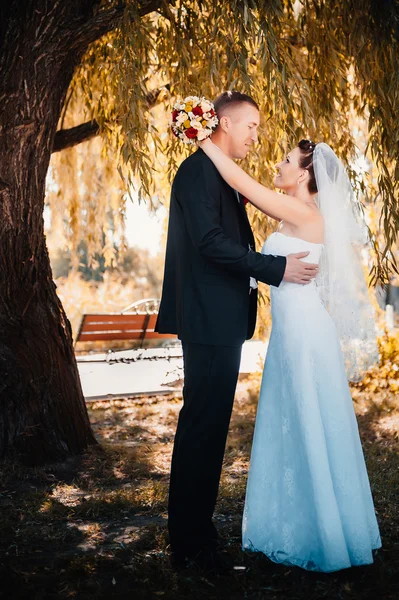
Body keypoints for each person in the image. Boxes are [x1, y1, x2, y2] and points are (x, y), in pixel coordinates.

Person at [199, 136, 381, 572]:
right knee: (291, 421)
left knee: (307, 418)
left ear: (303, 174)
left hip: (304, 333)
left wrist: (203, 139)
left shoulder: (302, 212)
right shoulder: (293, 218)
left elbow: (240, 180)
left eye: (285, 160)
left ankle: (323, 531)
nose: (276, 164)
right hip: (289, 332)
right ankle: (291, 521)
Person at [155, 91, 319, 571]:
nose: (256, 135)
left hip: (220, 319)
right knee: (202, 426)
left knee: (209, 428)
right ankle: (189, 543)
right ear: (223, 122)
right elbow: (209, 243)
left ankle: (198, 533)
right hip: (206, 319)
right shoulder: (196, 172)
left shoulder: (222, 176)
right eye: (251, 126)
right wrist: (275, 268)